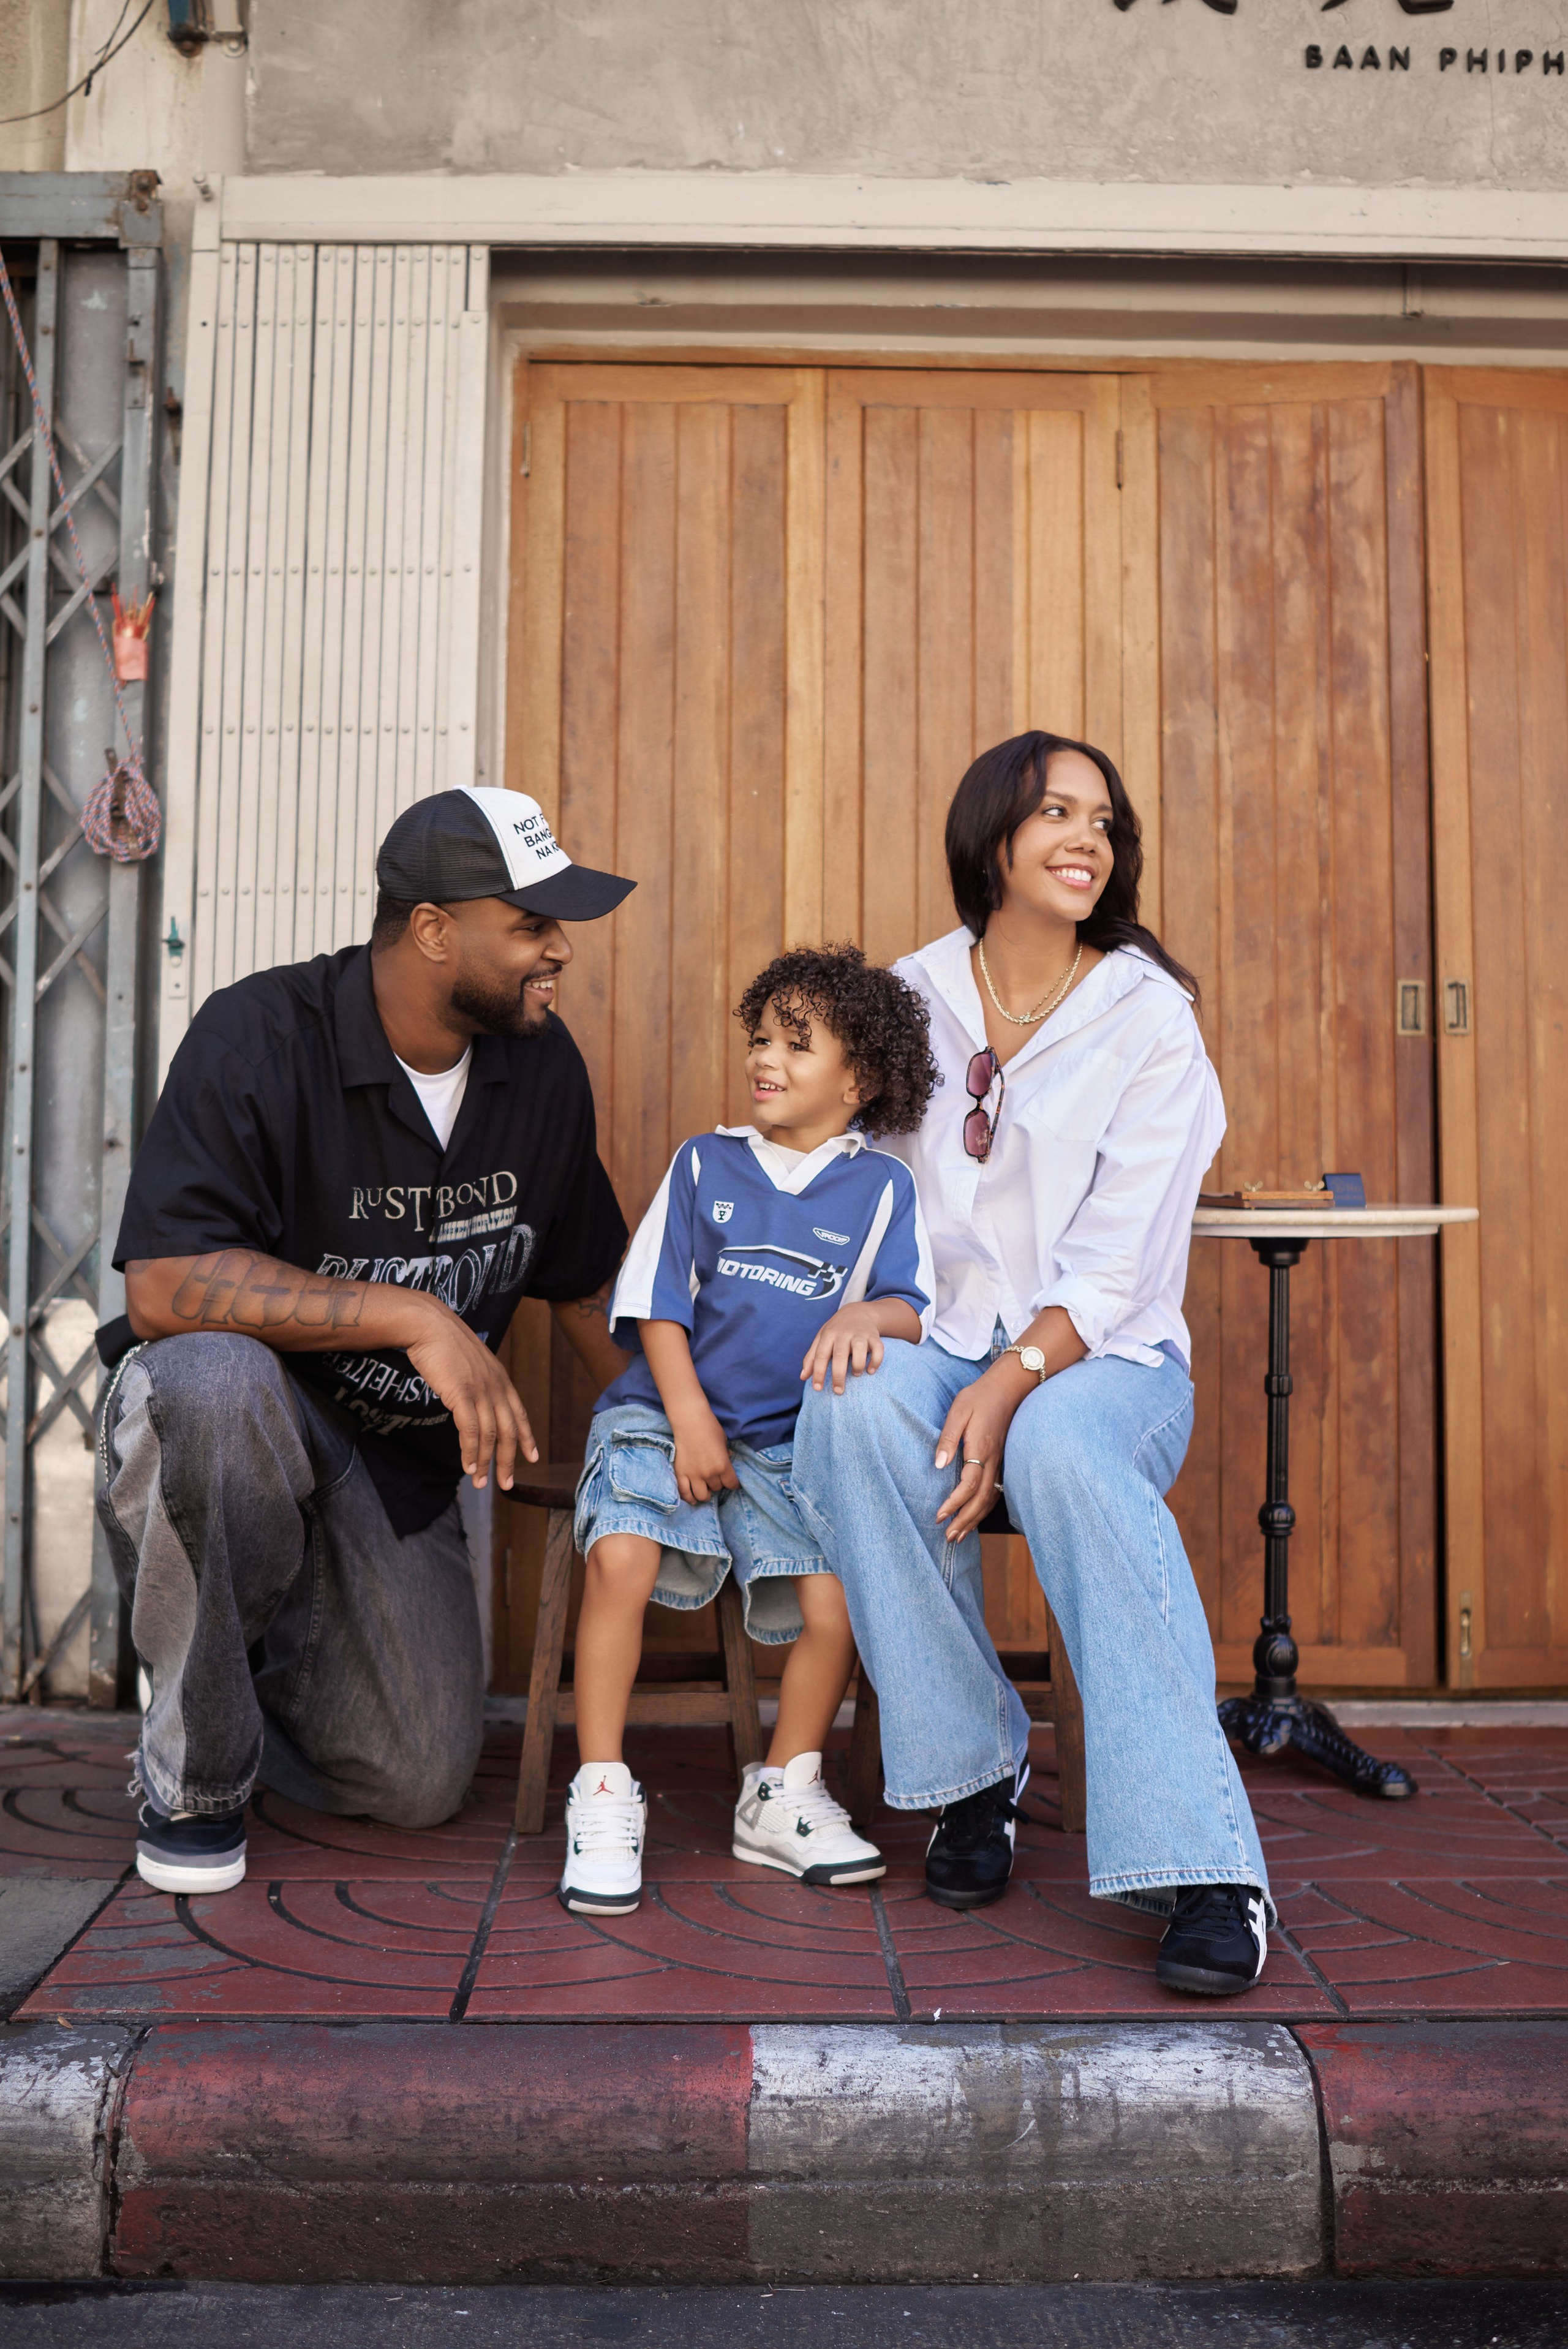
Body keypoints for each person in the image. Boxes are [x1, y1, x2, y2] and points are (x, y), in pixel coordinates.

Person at [790, 732, 1276, 1998]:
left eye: (1103, 823)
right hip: (943, 1343)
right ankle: (971, 1774)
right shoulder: (909, 997)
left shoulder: (1147, 1019)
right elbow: (870, 1193)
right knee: (843, 1405)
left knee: (1059, 1444)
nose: (1084, 839)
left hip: (1104, 1363)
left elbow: (1120, 1260)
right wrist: (879, 1316)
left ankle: (1206, 1858)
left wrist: (1013, 1380)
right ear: (989, 836)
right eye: (1055, 812)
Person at [98, 786, 637, 1898]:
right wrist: (414, 1314)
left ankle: (224, 1673)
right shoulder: (258, 1035)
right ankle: (194, 1772)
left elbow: (585, 1283)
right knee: (211, 1380)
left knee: (419, 1778)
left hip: (393, 1466)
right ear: (435, 929)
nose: (560, 950)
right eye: (532, 923)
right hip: (247, 1424)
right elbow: (160, 1285)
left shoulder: (539, 1066)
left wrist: (676, 1441)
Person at [559, 944, 939, 1918]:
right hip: (661, 1416)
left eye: (797, 1045)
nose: (766, 1058)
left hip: (783, 1444)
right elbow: (654, 1306)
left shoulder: (882, 1191)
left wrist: (868, 1317)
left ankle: (783, 1790)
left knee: (836, 1603)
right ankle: (601, 1790)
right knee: (624, 1561)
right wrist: (687, 1420)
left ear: (858, 1081)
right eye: (761, 1037)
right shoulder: (705, 1163)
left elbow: (912, 1307)